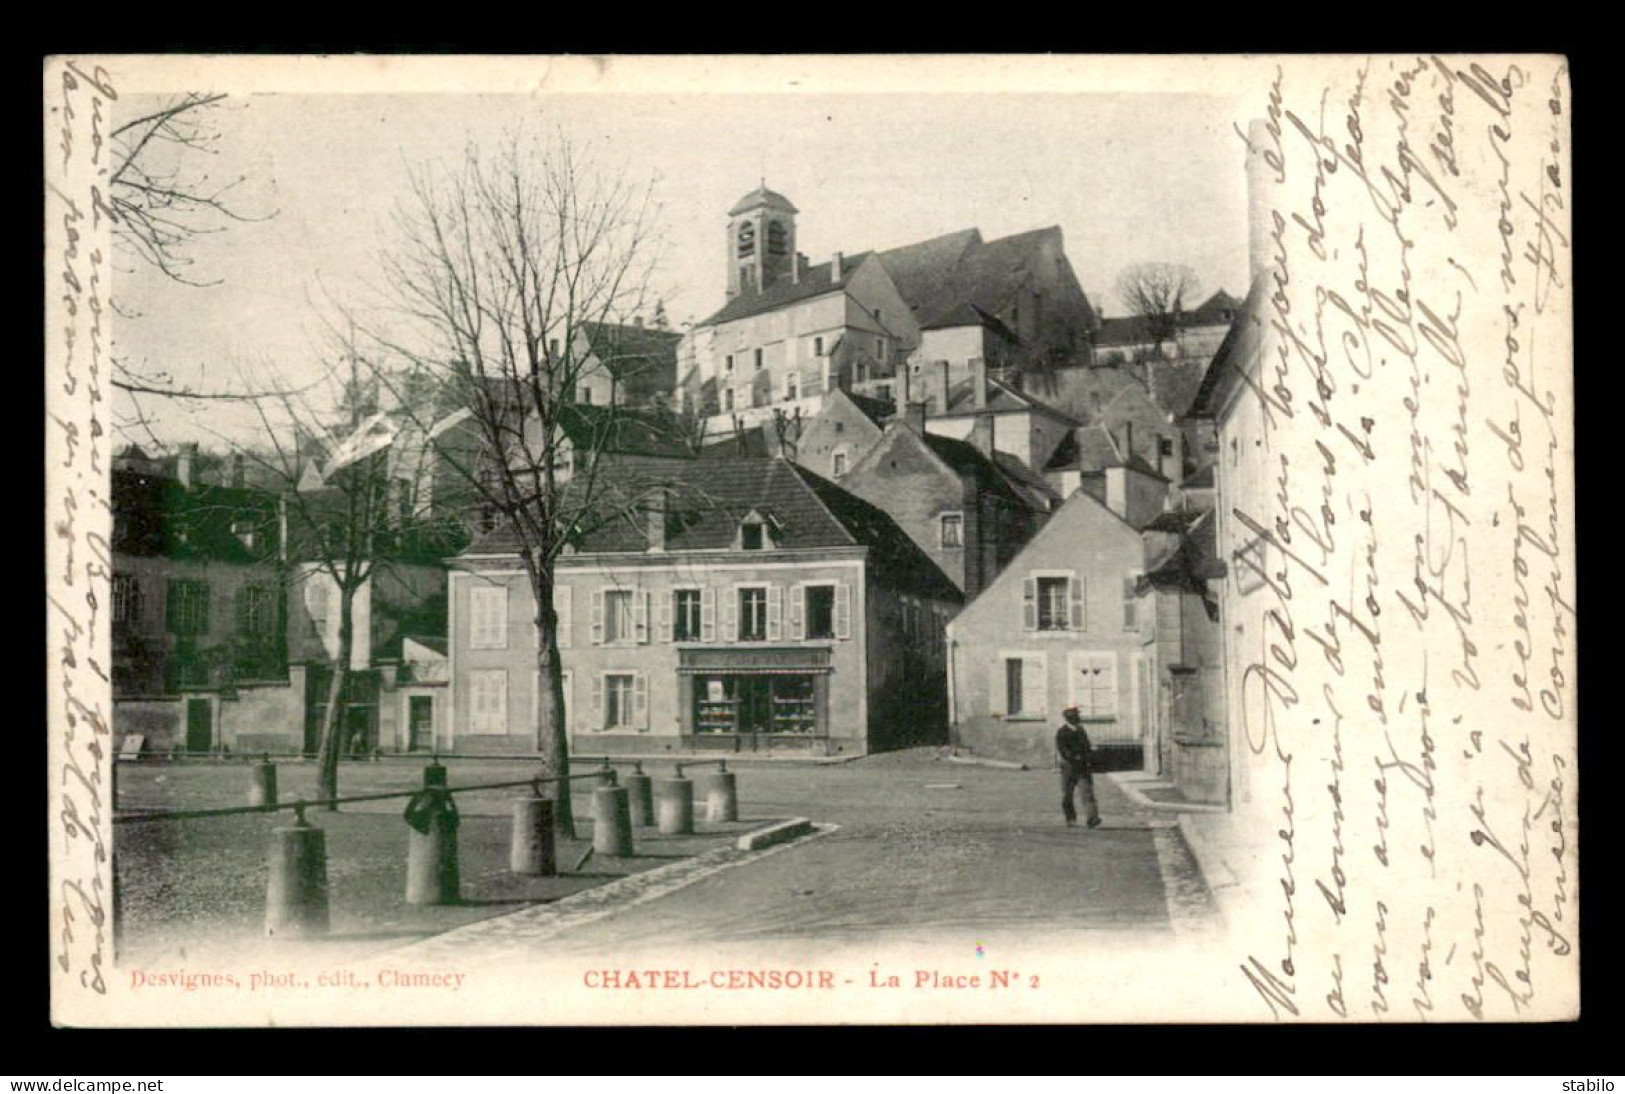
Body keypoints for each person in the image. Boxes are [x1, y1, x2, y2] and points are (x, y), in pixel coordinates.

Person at [1056, 705, 1101, 828]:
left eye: (1077, 715)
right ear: (1069, 718)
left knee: (1087, 793)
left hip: (1083, 767)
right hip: (1068, 768)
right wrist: (1074, 757)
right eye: (1075, 715)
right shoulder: (1062, 732)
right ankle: (1070, 819)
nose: (1078, 718)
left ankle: (1092, 818)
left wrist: (1088, 756)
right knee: (1067, 795)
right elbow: (1063, 750)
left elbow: (1086, 746)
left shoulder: (1081, 730)